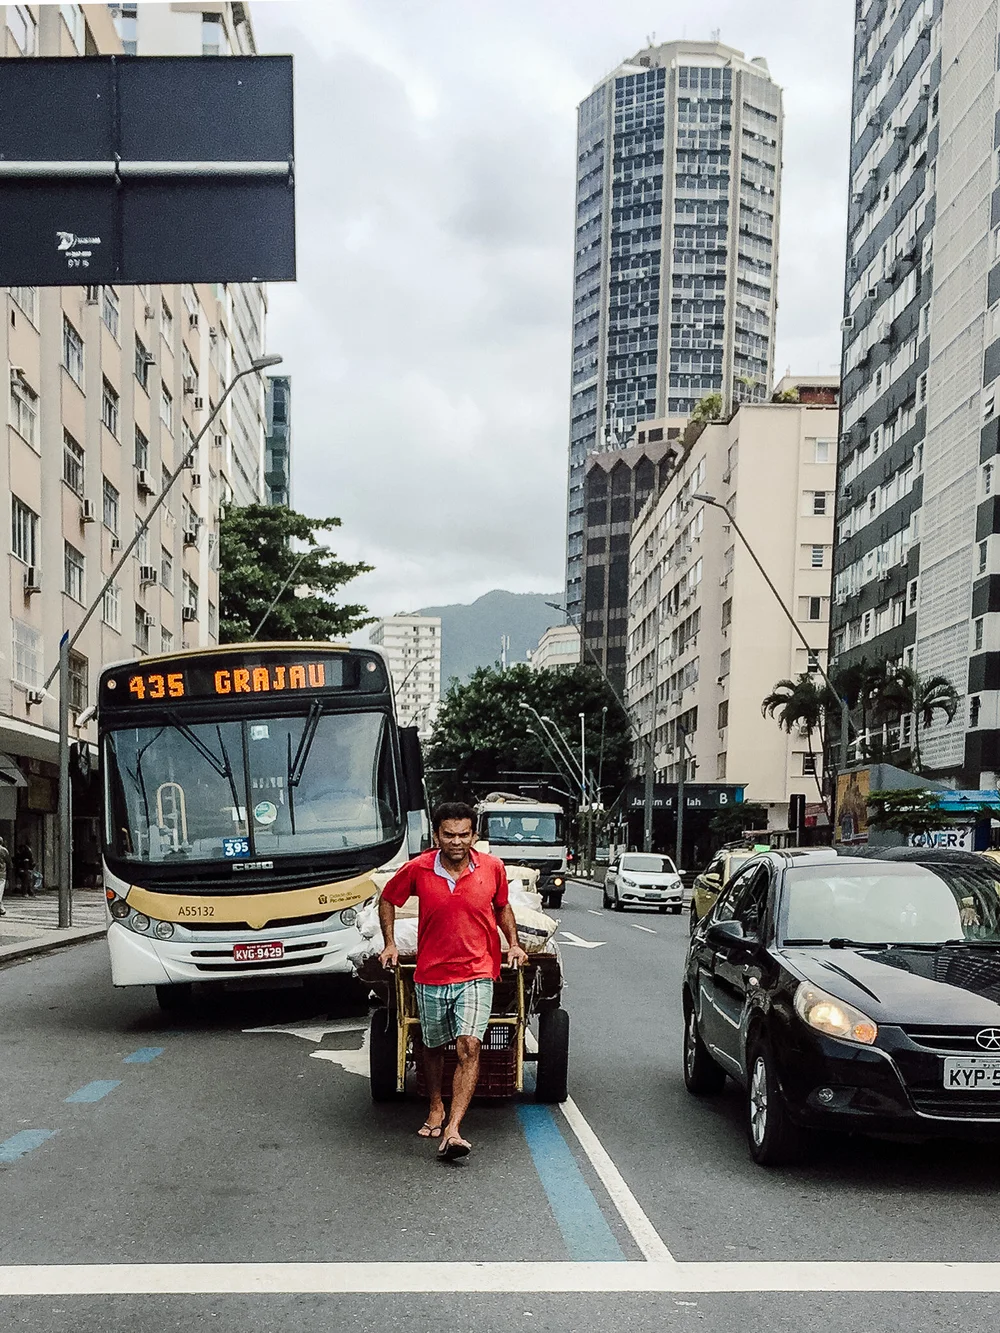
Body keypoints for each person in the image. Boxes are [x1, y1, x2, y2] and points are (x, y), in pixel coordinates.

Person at [378, 801, 528, 1161]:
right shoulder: (417, 868)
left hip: (478, 971)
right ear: (436, 835)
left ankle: (454, 1129)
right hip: (431, 973)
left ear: (474, 835)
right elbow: (388, 899)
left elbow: (502, 906)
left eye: (464, 835)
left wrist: (514, 945)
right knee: (432, 1046)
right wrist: (389, 943)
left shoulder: (491, 868)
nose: (457, 842)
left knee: (469, 1046)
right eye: (449, 835)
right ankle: (435, 1104)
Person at [0, 836, 10, 916]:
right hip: (1, 873)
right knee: (0, 891)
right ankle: (1, 908)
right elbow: (8, 861)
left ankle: (1, 909)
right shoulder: (4, 850)